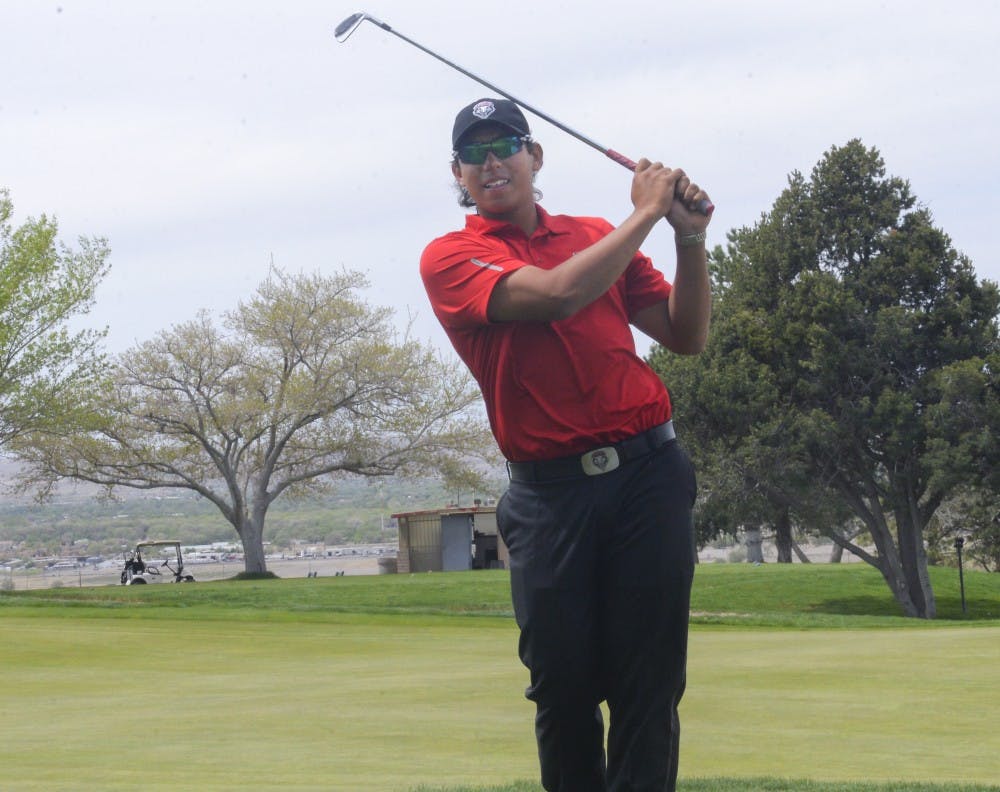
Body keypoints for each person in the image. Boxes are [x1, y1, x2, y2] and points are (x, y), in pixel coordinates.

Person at [419, 98, 712, 792]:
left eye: (507, 145)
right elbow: (554, 295)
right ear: (457, 174)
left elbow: (684, 334)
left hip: (649, 473)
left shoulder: (592, 233)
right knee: (565, 692)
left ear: (535, 156)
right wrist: (646, 213)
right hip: (550, 497)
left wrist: (688, 237)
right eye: (475, 154)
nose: (493, 163)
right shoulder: (451, 256)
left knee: (651, 687)